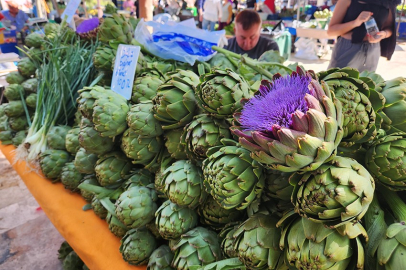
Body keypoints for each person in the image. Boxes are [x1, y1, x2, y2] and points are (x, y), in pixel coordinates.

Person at [327, 0, 401, 72]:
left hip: (372, 50)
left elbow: (389, 27)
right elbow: (331, 31)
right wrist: (355, 23)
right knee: (337, 82)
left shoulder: (389, 1)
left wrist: (383, 34)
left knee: (365, 83)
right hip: (348, 48)